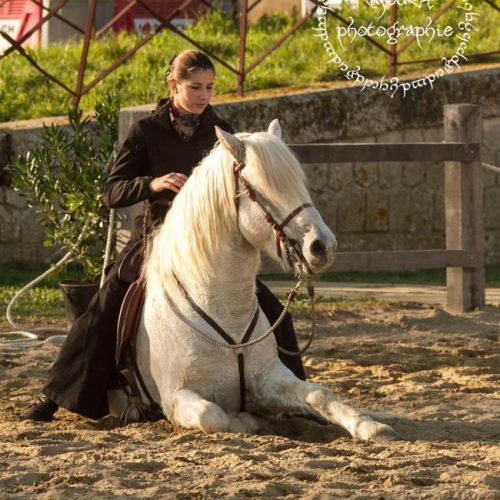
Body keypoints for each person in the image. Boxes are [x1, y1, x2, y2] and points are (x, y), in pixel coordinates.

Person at [21, 50, 305, 423]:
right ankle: (55, 395)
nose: (204, 96)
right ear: (174, 85)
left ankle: (297, 392)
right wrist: (152, 183)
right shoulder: (146, 131)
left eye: (209, 87)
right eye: (195, 87)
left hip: (212, 246)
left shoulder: (222, 131)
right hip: (158, 238)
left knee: (270, 307)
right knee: (108, 301)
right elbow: (112, 190)